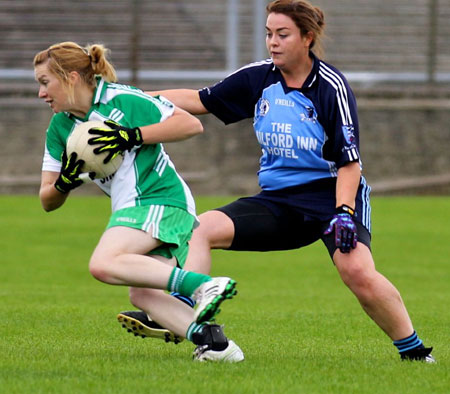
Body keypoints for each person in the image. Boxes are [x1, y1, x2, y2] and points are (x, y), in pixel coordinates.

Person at [120, 0, 435, 362]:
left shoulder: (330, 87)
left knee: (357, 272)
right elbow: (198, 100)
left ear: (307, 38)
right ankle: (179, 312)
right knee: (200, 228)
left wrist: (345, 212)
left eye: (282, 34)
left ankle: (414, 353)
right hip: (278, 200)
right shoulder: (259, 77)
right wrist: (136, 100)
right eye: (269, 33)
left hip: (331, 198)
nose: (273, 42)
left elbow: (350, 165)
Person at [34, 41, 244, 362]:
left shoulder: (122, 98)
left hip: (159, 199)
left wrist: (131, 135)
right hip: (135, 208)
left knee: (103, 263)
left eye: (45, 82)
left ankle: (202, 286)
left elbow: (190, 124)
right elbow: (47, 198)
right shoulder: (60, 128)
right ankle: (215, 344)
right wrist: (65, 181)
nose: (41, 93)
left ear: (71, 77)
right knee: (142, 292)